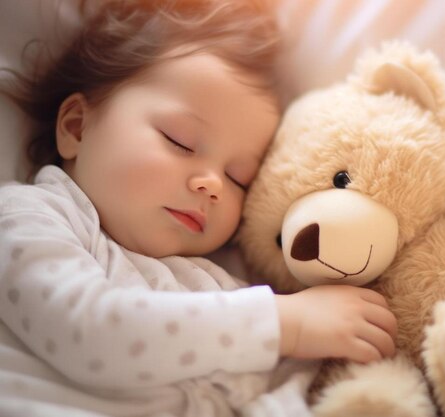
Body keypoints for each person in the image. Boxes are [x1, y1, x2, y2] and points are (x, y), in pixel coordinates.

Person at [0, 1, 397, 416]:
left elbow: (263, 388)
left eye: (239, 177)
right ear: (76, 127)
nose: (212, 186)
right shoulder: (28, 216)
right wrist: (287, 324)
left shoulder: (217, 282)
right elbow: (86, 331)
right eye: (180, 141)